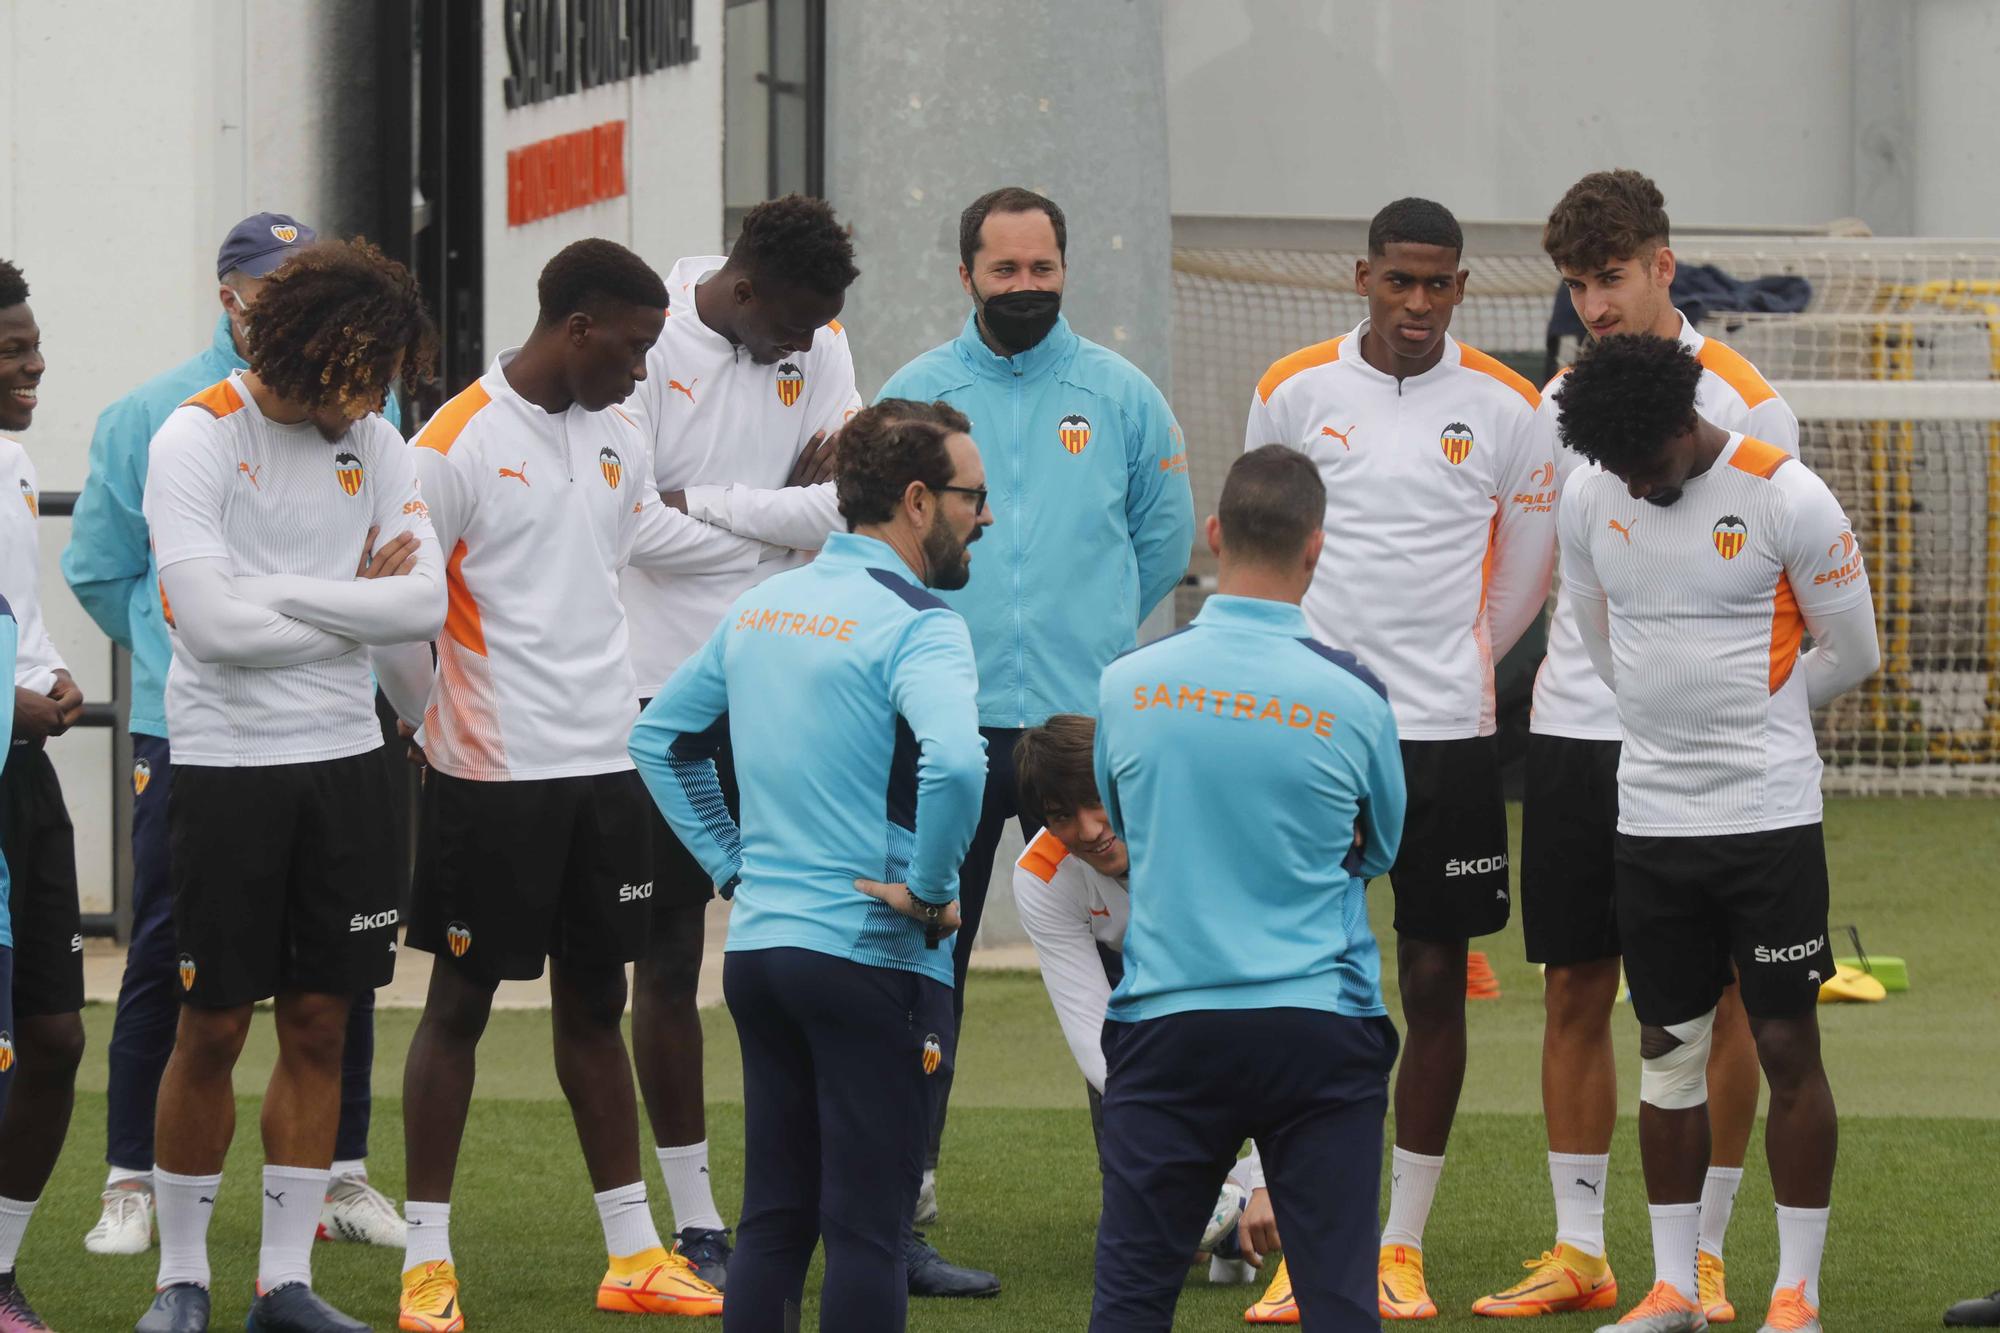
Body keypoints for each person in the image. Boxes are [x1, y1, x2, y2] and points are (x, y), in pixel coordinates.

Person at [380, 239, 770, 1330]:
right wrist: (430, 722)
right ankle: (425, 1261)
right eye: (636, 347)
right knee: (458, 1006)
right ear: (579, 328)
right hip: (491, 777)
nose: (644, 370)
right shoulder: (447, 444)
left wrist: (801, 537)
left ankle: (633, 1251)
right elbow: (402, 623)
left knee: (596, 1003)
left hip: (610, 765)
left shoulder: (617, 432)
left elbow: (643, 533)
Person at [1477, 170, 1801, 1321]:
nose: (1592, 303)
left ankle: (1700, 1255)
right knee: (1574, 983)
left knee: (1709, 1004)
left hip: (1705, 755)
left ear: (1663, 265)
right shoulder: (1558, 396)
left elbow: (1791, 598)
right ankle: (1578, 1250)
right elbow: (1544, 572)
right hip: (1574, 731)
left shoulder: (1749, 404)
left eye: (1607, 277)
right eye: (1573, 283)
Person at [64, 212, 406, 1261]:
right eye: (270, 282)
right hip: (193, 730)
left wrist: (281, 617)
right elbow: (101, 570)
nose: (286, 298)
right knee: (176, 965)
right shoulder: (157, 415)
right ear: (231, 296)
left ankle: (337, 1171)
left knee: (329, 983)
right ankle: (131, 1176)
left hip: (335, 730)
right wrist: (184, 640)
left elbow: (410, 592)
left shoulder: (364, 407)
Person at [1244, 197, 1554, 1318]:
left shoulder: (1509, 406)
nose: (1417, 305)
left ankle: (1400, 1243)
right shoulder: (1291, 388)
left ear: (1461, 288)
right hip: (1306, 727)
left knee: (1432, 980)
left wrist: (1454, 666)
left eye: (1438, 285)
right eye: (1398, 282)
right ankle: (1301, 1240)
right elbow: (1263, 535)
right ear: (1361, 276)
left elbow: (1523, 573)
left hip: (1442, 738)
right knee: (1299, 980)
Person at [877, 186, 1194, 1257]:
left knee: (1129, 966)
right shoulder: (915, 393)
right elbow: (879, 544)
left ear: (1065, 268)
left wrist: (1093, 634)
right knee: (926, 959)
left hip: (1081, 730)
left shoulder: (1119, 393)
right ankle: (904, 1185)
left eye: (1041, 268)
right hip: (945, 728)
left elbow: (1161, 539)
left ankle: (1151, 1188)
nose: (1024, 287)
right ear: (964, 272)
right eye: (1003, 270)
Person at [134, 238, 443, 1333]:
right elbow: (207, 632)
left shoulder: (378, 438)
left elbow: (421, 611)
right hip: (224, 767)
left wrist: (279, 596)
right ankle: (182, 1278)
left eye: (381, 378)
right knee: (212, 1023)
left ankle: (282, 1285)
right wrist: (341, 598)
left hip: (348, 764)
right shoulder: (197, 437)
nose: (368, 399)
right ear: (306, 349)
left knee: (321, 1021)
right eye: (357, 374)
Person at [631, 398, 990, 1332]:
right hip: (875, 953)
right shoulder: (924, 623)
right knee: (868, 1231)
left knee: (777, 1220)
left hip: (761, 955)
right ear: (917, 500)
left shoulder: (762, 605)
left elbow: (660, 739)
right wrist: (936, 892)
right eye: (972, 497)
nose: (984, 517)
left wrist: (736, 867)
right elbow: (957, 761)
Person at [1556, 333, 1879, 1333]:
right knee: (1664, 1047)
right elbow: (1598, 638)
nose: (1634, 486)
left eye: (1645, 465)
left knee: (1784, 1040)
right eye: (1615, 470)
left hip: (1767, 821)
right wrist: (1667, 733)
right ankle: (1672, 1290)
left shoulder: (1786, 495)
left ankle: (1794, 1291)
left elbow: (1851, 648)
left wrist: (1762, 719)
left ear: (1683, 425)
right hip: (1650, 823)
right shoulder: (1591, 496)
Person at [1089, 445, 1405, 1331]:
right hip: (1317, 1021)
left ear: (1215, 534)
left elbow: (1128, 823)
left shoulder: (1126, 682)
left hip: (1167, 1020)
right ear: (1316, 547)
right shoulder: (1357, 695)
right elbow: (1379, 848)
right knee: (1339, 1291)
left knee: (1132, 1293)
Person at [619, 194, 861, 1290]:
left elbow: (847, 507)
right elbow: (632, 528)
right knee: (668, 962)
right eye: (795, 327)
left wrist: (711, 509)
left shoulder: (821, 336)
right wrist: (770, 529)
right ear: (744, 286)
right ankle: (697, 1215)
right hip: (662, 698)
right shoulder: (643, 334)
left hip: (790, 687)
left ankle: (838, 1201)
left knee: (808, 953)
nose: (809, 349)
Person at [1008, 716, 1281, 1312]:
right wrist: (1189, 1169)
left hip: (1247, 974)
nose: (1088, 831)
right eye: (1061, 816)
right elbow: (1096, 1039)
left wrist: (1264, 1175)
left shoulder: (1209, 823)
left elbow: (1277, 1013)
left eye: (1096, 802)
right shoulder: (1040, 875)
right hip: (1135, 987)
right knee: (1161, 1230)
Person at [0, 257, 85, 1333]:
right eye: (14, 350)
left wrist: (47, 677)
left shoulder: (13, 466)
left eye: (32, 344)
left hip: (22, 779)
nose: (36, 364)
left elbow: (21, 613)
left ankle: (2, 1271)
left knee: (55, 1039)